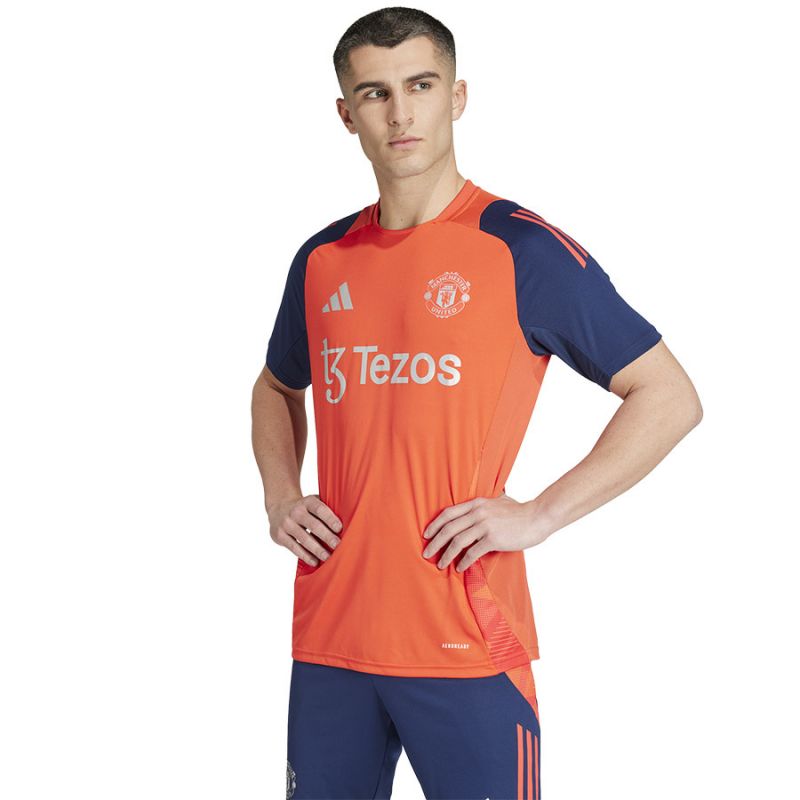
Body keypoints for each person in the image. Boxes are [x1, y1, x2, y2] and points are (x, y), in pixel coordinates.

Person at [251, 7, 702, 799]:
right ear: (346, 114)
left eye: (421, 85)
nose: (401, 113)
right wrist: (281, 494)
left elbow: (668, 395)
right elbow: (275, 387)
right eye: (375, 93)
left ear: (457, 97)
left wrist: (540, 514)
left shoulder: (518, 249)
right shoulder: (322, 258)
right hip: (330, 638)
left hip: (464, 640)